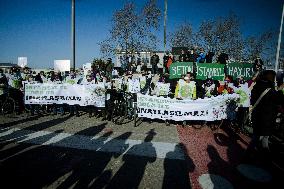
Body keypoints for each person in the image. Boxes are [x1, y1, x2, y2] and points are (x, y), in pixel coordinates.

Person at [246, 70, 284, 161]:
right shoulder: (269, 89)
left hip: (257, 116)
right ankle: (262, 156)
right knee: (262, 136)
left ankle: (253, 154)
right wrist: (279, 90)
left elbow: (253, 100)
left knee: (259, 136)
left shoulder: (257, 86)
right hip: (266, 118)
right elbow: (279, 100)